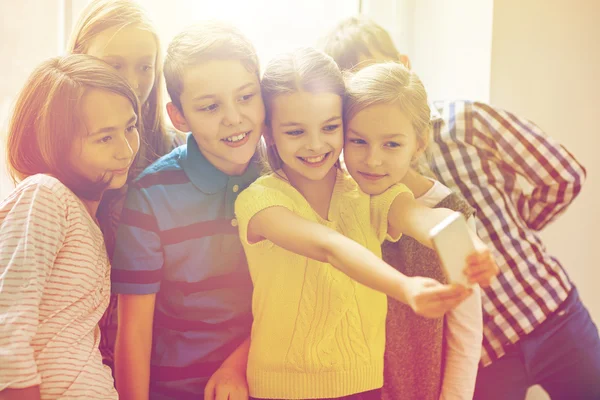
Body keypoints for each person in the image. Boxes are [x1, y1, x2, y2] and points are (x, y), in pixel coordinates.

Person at [323, 15, 600, 399]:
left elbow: (564, 175)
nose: (376, 96)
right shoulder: (358, 186)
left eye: (380, 73)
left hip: (547, 310)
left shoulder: (465, 122)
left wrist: (513, 231)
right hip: (485, 353)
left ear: (403, 65)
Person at [230, 47, 496, 400]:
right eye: (295, 132)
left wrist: (469, 245)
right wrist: (405, 288)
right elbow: (330, 247)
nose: (314, 144)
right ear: (269, 133)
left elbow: (422, 214)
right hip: (281, 391)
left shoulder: (367, 195)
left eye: (330, 127)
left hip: (364, 387)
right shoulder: (259, 201)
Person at [109, 22, 266, 399]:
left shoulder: (283, 177)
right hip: (174, 388)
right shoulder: (151, 195)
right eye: (210, 106)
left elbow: (296, 297)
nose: (233, 117)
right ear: (178, 117)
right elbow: (134, 330)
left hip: (267, 377)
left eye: (246, 97)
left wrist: (237, 365)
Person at [0, 54, 140, 399]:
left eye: (130, 128)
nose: (126, 150)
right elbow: (7, 318)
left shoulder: (85, 215)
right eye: (104, 138)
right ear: (53, 141)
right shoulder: (45, 195)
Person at [343, 61, 483, 400]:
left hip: (415, 386)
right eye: (358, 141)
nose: (372, 160)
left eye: (391, 144)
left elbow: (466, 335)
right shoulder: (334, 194)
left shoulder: (450, 212)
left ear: (419, 143)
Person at [67, 0, 185, 370]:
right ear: (77, 58)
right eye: (114, 65)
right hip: (74, 358)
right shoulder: (55, 157)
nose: (132, 83)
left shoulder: (177, 153)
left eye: (145, 67)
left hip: (161, 358)